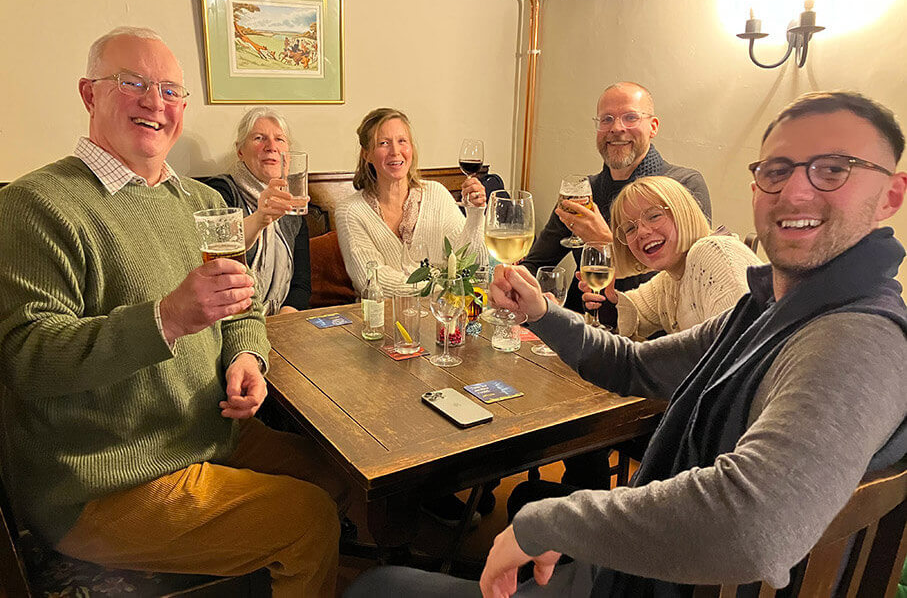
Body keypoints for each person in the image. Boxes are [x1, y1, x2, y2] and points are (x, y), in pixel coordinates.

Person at [344, 91, 907, 597]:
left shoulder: (857, 336)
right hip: (646, 564)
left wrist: (552, 521)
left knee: (377, 587)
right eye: (777, 170)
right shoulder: (767, 308)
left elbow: (752, 526)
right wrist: (542, 313)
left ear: (891, 194)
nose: (797, 190)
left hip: (660, 580)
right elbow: (634, 364)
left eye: (833, 169)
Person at [0, 27, 348, 597]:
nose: (154, 102)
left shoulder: (206, 204)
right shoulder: (35, 206)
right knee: (307, 521)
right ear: (90, 95)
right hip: (103, 481)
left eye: (170, 90)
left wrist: (250, 359)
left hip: (208, 432)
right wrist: (166, 319)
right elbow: (27, 361)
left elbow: (244, 308)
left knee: (340, 473)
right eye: (132, 83)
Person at [522, 81, 711, 325]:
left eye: (630, 117)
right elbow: (537, 264)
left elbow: (685, 286)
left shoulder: (683, 186)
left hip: (650, 341)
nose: (617, 128)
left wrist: (605, 244)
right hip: (579, 328)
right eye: (607, 119)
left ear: (653, 126)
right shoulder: (581, 193)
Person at [584, 175, 761, 339]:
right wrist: (608, 303)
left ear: (683, 213)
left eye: (654, 216)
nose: (642, 232)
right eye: (630, 229)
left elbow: (736, 349)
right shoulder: (670, 278)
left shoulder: (713, 252)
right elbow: (635, 313)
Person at [335, 107, 489, 296]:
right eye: (383, 143)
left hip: (443, 317)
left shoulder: (437, 194)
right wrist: (445, 287)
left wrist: (475, 214)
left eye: (402, 141)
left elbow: (472, 264)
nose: (395, 151)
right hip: (381, 320)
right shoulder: (350, 211)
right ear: (366, 154)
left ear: (412, 148)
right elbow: (372, 281)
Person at [204, 107, 311, 315]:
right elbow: (218, 257)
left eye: (280, 140)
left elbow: (301, 285)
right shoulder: (220, 191)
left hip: (281, 322)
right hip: (233, 321)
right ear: (240, 150)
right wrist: (261, 218)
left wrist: (283, 324)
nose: (271, 147)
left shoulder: (294, 202)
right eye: (259, 138)